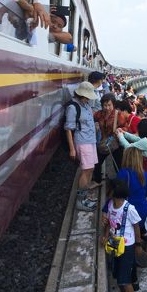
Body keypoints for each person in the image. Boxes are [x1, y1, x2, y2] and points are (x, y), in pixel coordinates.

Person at [101, 179, 143, 292]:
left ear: (113, 192)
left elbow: (136, 226)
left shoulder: (129, 209)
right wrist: (105, 235)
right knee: (118, 277)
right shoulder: (110, 205)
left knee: (125, 280)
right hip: (115, 244)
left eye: (108, 188)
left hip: (127, 247)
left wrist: (138, 244)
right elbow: (109, 223)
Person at [65, 81, 99, 212]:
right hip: (82, 142)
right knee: (86, 170)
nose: (89, 98)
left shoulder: (85, 105)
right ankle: (80, 201)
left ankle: (86, 196)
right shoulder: (73, 107)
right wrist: (72, 148)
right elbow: (68, 129)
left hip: (91, 141)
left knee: (91, 169)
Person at [117, 147, 147, 241]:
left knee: (129, 234)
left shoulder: (122, 173)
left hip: (128, 210)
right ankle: (143, 236)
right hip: (142, 209)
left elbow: (118, 194)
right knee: (139, 226)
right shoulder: (145, 174)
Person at [93, 93, 120, 183]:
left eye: (109, 105)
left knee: (118, 165)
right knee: (96, 162)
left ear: (113, 104)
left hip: (115, 144)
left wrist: (121, 129)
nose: (107, 108)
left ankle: (120, 184)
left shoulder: (118, 114)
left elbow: (125, 126)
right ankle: (98, 181)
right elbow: (91, 118)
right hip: (104, 143)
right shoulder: (99, 114)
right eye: (105, 105)